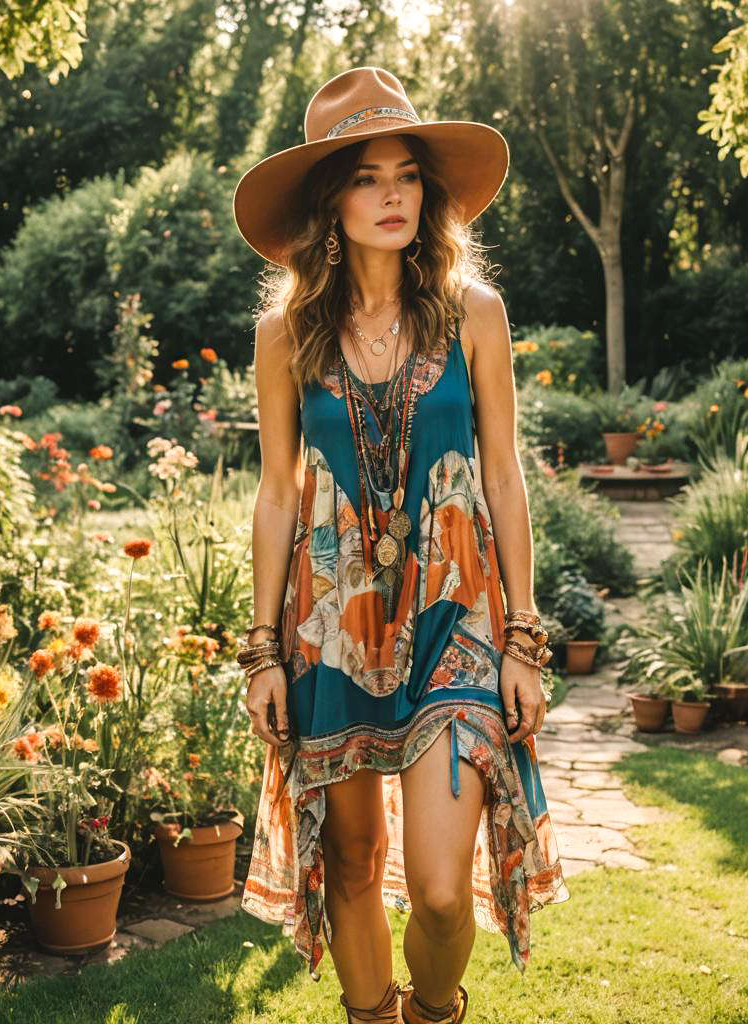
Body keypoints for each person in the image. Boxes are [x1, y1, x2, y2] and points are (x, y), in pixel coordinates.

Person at [231, 66, 570, 1024]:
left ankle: (434, 1010)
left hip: (457, 615)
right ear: (329, 203)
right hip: (331, 623)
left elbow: (503, 477)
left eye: (407, 175)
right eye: (366, 177)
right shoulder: (286, 332)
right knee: (352, 858)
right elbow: (277, 491)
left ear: (429, 192)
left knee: (438, 888)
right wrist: (260, 650)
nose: (392, 195)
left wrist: (524, 637)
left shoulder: (476, 313)